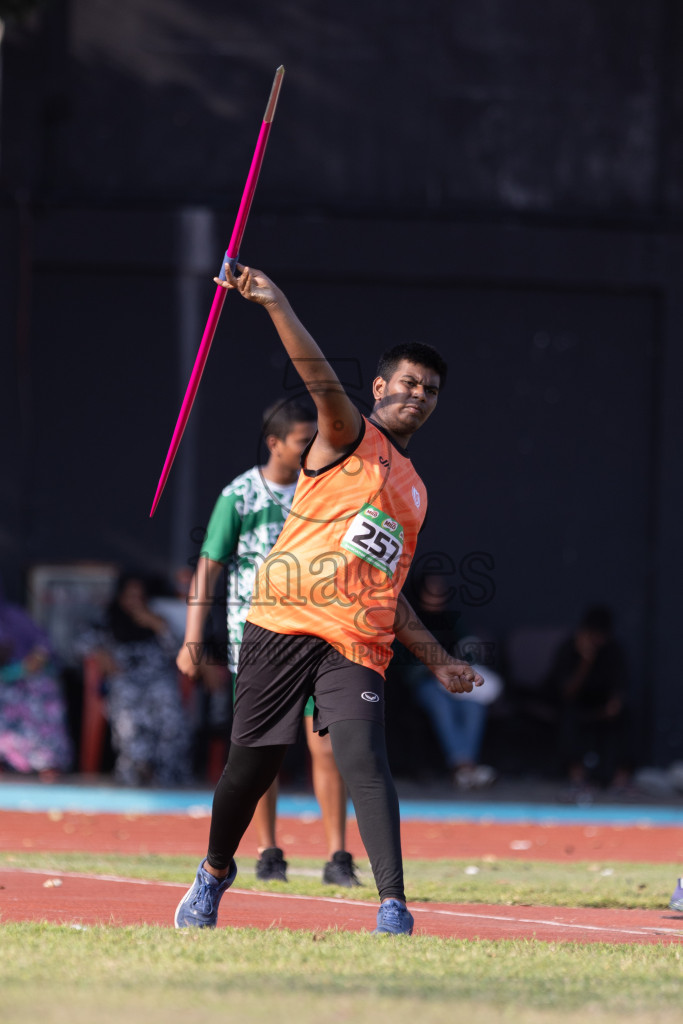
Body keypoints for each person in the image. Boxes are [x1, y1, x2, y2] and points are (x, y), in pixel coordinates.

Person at [174, 261, 483, 936]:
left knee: (362, 757)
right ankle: (215, 871)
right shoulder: (346, 435)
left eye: (429, 390)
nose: (418, 395)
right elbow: (317, 380)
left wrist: (435, 660)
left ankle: (393, 905)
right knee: (252, 764)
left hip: (354, 641)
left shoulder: (415, 491)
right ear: (379, 388)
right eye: (407, 384)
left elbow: (389, 592)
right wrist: (275, 302)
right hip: (280, 622)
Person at [177, 399, 361, 887]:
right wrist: (193, 639)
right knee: (262, 752)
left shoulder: (321, 490)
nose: (314, 448)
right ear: (274, 442)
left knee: (326, 748)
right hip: (258, 641)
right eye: (305, 440)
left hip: (321, 636)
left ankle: (338, 855)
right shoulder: (240, 495)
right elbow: (208, 568)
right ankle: (268, 850)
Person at [84, 572, 191, 787]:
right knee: (128, 713)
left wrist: (158, 626)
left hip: (158, 681)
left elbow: (180, 652)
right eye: (128, 596)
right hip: (124, 680)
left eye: (138, 596)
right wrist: (98, 652)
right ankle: (136, 769)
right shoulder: (106, 620)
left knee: (167, 709)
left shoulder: (158, 620)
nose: (133, 602)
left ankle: (166, 775)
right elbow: (82, 643)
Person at [397, 573, 501, 790]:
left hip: (451, 681)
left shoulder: (451, 619)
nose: (436, 597)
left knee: (473, 704)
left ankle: (465, 767)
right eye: (431, 592)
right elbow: (401, 664)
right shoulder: (405, 617)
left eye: (440, 592)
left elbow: (469, 647)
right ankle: (463, 767)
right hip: (423, 684)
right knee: (440, 704)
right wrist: (430, 668)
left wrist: (459, 664)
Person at [543, 605, 631, 792]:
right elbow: (567, 692)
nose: (598, 640)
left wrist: (615, 703)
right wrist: (586, 661)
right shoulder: (569, 648)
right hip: (575, 704)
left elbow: (620, 685)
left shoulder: (613, 650)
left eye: (602, 635)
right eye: (594, 634)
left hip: (601, 706)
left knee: (627, 715)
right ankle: (577, 776)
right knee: (568, 715)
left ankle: (620, 777)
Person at [0, 580, 72, 777]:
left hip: (27, 678)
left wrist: (29, 664)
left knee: (38, 691)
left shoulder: (13, 615)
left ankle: (46, 762)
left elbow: (43, 646)